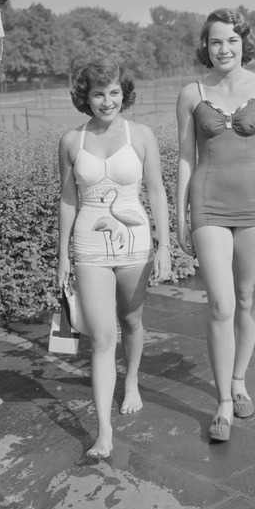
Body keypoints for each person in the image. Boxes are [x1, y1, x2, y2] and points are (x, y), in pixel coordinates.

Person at [176, 8, 255, 442]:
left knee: (247, 297)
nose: (223, 49)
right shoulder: (191, 93)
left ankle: (239, 380)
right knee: (220, 304)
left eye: (231, 40)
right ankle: (223, 404)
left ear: (244, 42)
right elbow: (186, 158)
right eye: (215, 42)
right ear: (205, 47)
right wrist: (179, 216)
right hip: (207, 206)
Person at [57, 59, 171, 458]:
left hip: (136, 244)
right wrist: (63, 258)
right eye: (98, 94)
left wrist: (165, 246)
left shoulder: (140, 135)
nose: (107, 101)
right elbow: (68, 200)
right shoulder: (72, 141)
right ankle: (104, 432)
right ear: (85, 98)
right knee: (102, 338)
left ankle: (134, 380)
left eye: (114, 93)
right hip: (89, 249)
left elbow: (156, 192)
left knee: (132, 320)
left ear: (125, 93)